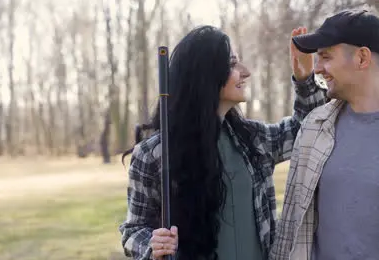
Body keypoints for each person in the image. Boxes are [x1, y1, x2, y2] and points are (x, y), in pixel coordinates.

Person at [119, 25, 327, 260]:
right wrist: (152, 245)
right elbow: (133, 231)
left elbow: (306, 129)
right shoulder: (154, 154)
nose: (245, 72)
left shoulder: (251, 140)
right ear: (206, 75)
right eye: (232, 64)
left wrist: (305, 79)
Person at [271, 9, 379, 260]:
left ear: (362, 58)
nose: (317, 69)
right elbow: (289, 232)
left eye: (325, 56)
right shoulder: (314, 127)